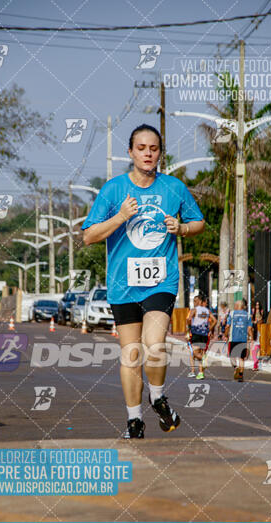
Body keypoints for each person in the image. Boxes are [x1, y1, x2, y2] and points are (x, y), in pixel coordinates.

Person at [82, 124, 205, 439]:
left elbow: (199, 222)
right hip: (122, 285)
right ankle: (134, 420)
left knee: (154, 345)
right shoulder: (113, 190)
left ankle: (158, 396)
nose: (148, 153)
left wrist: (182, 228)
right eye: (141, 148)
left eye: (153, 148)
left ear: (160, 153)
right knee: (131, 355)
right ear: (131, 152)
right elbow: (88, 236)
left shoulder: (174, 188)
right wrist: (120, 216)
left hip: (160, 282)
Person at [186, 293, 216, 380]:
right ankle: (201, 373)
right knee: (201, 352)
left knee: (195, 353)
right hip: (204, 334)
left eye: (196, 301)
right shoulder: (207, 311)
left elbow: (188, 319)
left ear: (200, 301)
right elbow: (214, 320)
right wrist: (209, 329)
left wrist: (189, 327)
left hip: (196, 333)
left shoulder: (194, 310)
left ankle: (204, 360)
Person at [225, 299, 253, 383]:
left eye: (235, 305)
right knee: (241, 358)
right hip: (243, 339)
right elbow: (249, 328)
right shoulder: (248, 315)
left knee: (232, 356)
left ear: (237, 306)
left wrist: (225, 334)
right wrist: (251, 337)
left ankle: (235, 367)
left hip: (233, 338)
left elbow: (227, 326)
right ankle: (241, 374)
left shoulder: (232, 313)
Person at [251, 301, 264, 371]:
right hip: (255, 327)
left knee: (254, 352)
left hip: (259, 327)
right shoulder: (254, 311)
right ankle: (255, 364)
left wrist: (258, 321)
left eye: (258, 304)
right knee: (254, 353)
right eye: (256, 304)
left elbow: (262, 319)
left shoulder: (261, 311)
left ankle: (255, 364)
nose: (257, 306)